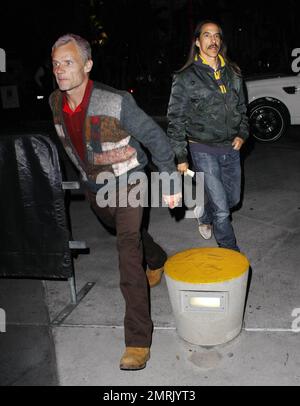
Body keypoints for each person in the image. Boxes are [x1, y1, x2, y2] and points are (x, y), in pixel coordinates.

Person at [49, 34, 181, 371]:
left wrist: (169, 181)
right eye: (56, 64)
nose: (61, 70)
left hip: (130, 181)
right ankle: (157, 257)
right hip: (97, 188)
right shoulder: (54, 103)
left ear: (87, 65)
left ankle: (138, 341)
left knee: (126, 254)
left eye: (68, 62)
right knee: (129, 237)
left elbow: (155, 138)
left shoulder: (116, 100)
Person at [167, 20, 249, 252]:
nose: (213, 40)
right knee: (223, 209)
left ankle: (203, 212)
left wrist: (242, 133)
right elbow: (176, 119)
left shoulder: (233, 72)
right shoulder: (185, 77)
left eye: (216, 36)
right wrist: (181, 156)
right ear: (197, 41)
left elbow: (243, 109)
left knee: (232, 200)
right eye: (207, 35)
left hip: (231, 147)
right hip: (202, 148)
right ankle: (231, 252)